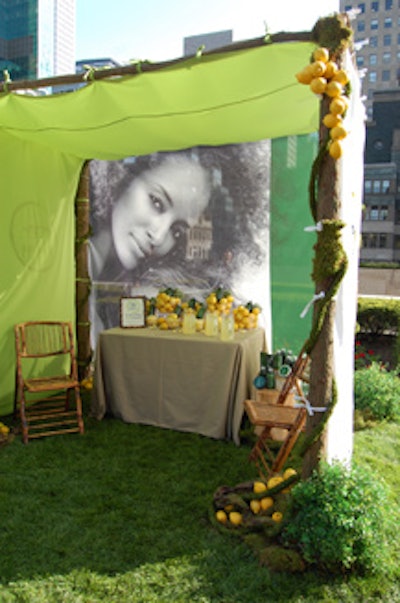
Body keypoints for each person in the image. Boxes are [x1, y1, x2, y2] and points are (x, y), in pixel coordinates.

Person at [89, 150, 211, 283]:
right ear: (124, 179)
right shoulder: (72, 257)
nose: (158, 238)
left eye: (176, 231)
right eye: (157, 203)